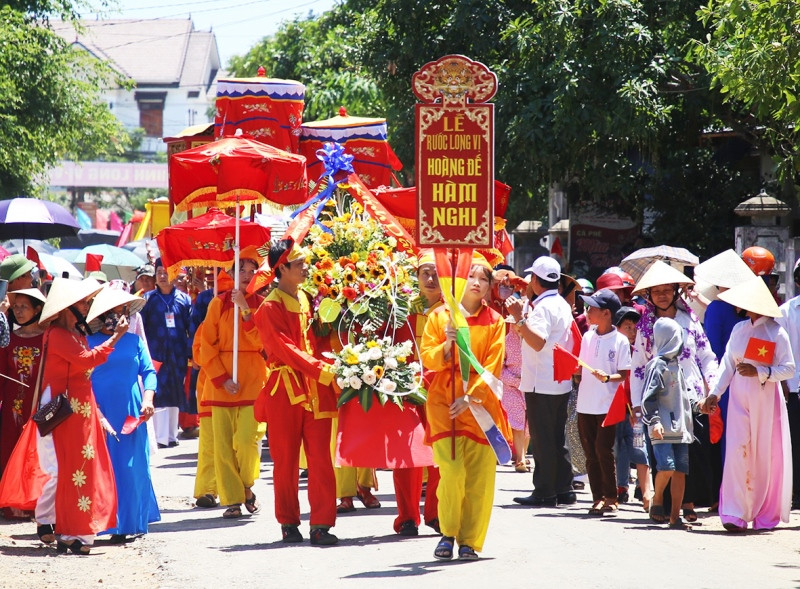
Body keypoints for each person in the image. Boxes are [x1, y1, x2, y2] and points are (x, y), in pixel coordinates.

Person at [0, 277, 125, 554]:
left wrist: (97, 413)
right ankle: (71, 531)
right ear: (69, 307)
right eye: (83, 302)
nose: (87, 306)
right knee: (65, 471)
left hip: (79, 410)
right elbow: (87, 361)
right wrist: (116, 337)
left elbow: (83, 373)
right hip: (64, 411)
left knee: (74, 471)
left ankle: (69, 530)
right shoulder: (57, 334)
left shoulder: (75, 334)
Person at [251, 239, 339, 546]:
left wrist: (342, 359)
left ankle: (321, 525)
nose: (305, 268)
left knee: (321, 459)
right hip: (285, 390)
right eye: (299, 264)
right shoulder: (268, 308)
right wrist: (322, 370)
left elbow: (320, 339)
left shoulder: (309, 298)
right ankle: (288, 522)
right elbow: (285, 349)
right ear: (282, 269)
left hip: (316, 388)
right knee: (286, 461)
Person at [421, 253, 509, 561]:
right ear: (458, 279)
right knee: (452, 471)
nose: (477, 283)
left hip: (480, 406)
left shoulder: (495, 322)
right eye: (471, 276)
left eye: (484, 278)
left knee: (478, 479)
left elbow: (493, 365)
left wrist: (471, 397)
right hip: (444, 404)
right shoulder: (439, 316)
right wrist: (447, 344)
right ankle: (448, 531)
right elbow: (427, 357)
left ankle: (469, 540)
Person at [701, 277, 794, 531]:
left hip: (766, 400)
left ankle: (764, 513)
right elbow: (727, 365)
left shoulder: (776, 332)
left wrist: (760, 371)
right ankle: (735, 513)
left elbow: (789, 368)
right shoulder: (739, 329)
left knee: (763, 454)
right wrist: (715, 394)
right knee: (736, 451)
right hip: (738, 398)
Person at [630, 261, 718, 522]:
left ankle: (688, 503)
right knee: (663, 454)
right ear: (649, 295)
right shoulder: (645, 326)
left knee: (692, 453)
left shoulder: (690, 320)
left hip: (692, 396)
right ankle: (663, 504)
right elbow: (638, 366)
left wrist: (712, 386)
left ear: (676, 291)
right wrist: (638, 404)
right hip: (660, 400)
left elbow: (706, 355)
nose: (662, 295)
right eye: (656, 291)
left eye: (667, 290)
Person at [86, 285, 160, 543]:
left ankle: (129, 523)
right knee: (104, 468)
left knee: (132, 468)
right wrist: (95, 411)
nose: (120, 315)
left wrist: (148, 399)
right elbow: (82, 378)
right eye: (115, 311)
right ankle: (105, 522)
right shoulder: (89, 343)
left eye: (124, 310)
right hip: (99, 411)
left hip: (131, 412)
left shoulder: (134, 341)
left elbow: (149, 372)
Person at [199, 247, 268, 519]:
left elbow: (262, 342)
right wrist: (222, 378)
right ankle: (233, 500)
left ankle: (247, 485)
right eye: (241, 270)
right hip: (221, 384)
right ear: (230, 273)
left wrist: (246, 310)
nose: (247, 275)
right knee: (224, 446)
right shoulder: (217, 303)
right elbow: (206, 346)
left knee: (248, 439)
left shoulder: (263, 303)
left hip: (253, 379)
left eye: (252, 271)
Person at [507, 256, 576, 507]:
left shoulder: (544, 307)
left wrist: (518, 317)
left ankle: (545, 491)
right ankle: (563, 488)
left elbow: (537, 342)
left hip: (541, 381)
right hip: (557, 380)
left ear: (535, 279)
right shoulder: (561, 303)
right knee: (556, 437)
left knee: (544, 438)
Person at [575, 289, 630, 516]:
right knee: (590, 452)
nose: (588, 312)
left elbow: (623, 374)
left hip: (607, 404)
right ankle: (597, 497)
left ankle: (611, 496)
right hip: (585, 402)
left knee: (603, 450)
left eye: (592, 308)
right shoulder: (588, 336)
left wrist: (607, 377)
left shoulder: (620, 340)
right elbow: (580, 367)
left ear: (606, 313)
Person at [641, 317, 695, 530]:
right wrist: (654, 421)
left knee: (680, 471)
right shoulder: (657, 365)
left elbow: (684, 397)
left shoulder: (677, 366)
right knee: (667, 467)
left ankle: (674, 517)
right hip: (662, 427)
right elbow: (648, 397)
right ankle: (658, 498)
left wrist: (699, 406)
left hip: (681, 428)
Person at [0, 288, 46, 512]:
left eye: (24, 307)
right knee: (10, 448)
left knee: (36, 452)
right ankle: (10, 502)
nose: (18, 311)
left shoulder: (48, 339)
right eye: (15, 307)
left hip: (38, 405)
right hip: (12, 407)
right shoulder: (9, 339)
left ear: (37, 310)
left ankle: (34, 503)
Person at [140, 259, 192, 448]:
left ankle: (171, 435)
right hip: (155, 354)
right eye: (159, 272)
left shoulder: (184, 299)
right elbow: (141, 329)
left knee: (176, 390)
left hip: (178, 354)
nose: (162, 276)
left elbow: (190, 328)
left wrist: (191, 352)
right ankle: (159, 437)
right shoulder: (148, 300)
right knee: (158, 391)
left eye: (166, 272)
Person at [612, 306, 652, 511]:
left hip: (636, 408)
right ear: (617, 328)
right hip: (615, 405)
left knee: (639, 447)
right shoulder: (613, 348)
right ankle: (621, 486)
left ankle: (645, 492)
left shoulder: (643, 349)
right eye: (627, 326)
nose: (632, 330)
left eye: (635, 326)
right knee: (618, 448)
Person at [777, 257, 800, 509]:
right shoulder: (786, 311)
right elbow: (778, 351)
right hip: (793, 388)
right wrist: (782, 383)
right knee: (794, 442)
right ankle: (796, 492)